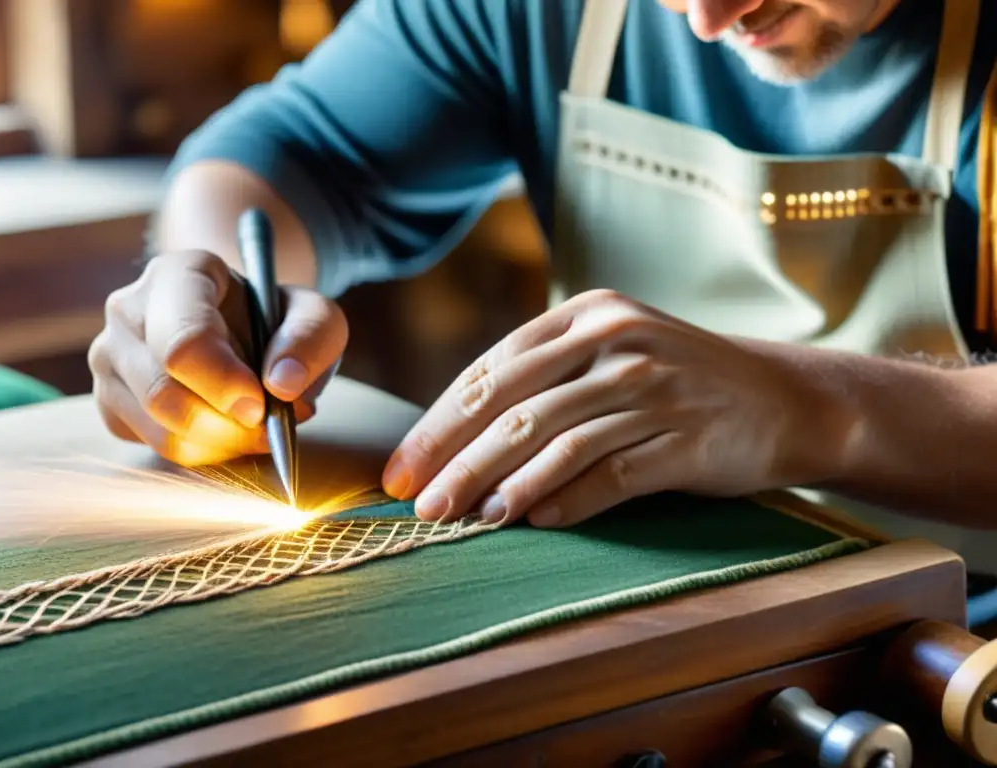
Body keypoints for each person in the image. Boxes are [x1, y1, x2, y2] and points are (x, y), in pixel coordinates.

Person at [87, 0, 997, 573]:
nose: (710, 20)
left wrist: (815, 409)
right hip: (648, 601)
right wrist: (208, 295)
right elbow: (282, 155)